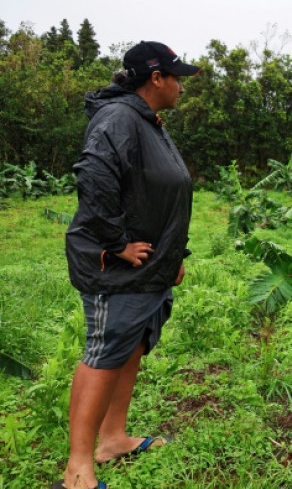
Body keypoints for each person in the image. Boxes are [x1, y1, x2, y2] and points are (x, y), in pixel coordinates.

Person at [55, 41, 200, 489]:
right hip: (115, 268)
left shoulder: (148, 121)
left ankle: (112, 438)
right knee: (105, 352)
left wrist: (174, 256)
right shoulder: (118, 119)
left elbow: (161, 194)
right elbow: (94, 178)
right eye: (177, 77)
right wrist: (118, 244)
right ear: (155, 78)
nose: (181, 86)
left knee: (131, 345)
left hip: (151, 267)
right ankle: (78, 467)